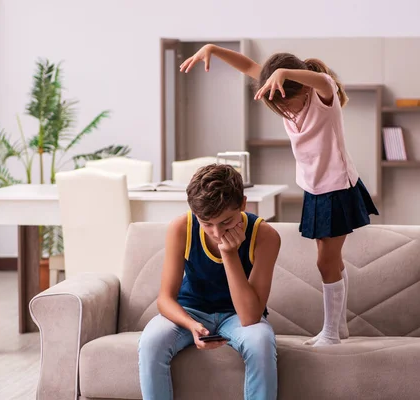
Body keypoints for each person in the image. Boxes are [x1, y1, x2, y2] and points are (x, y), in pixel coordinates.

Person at [180, 45, 379, 347]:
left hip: (337, 188)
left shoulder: (324, 97)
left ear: (301, 88)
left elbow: (324, 80)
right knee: (330, 259)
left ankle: (331, 333)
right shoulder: (288, 96)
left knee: (326, 262)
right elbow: (247, 64)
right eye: (281, 109)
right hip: (314, 189)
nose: (287, 111)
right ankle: (339, 328)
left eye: (289, 104)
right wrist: (213, 50)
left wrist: (284, 72)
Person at [138, 164, 280, 400]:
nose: (216, 232)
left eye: (226, 222)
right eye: (206, 223)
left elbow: (250, 316)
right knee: (151, 340)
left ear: (243, 204)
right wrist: (191, 325)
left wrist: (229, 253)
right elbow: (164, 299)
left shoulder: (265, 236)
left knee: (261, 342)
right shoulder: (181, 228)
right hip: (191, 311)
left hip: (238, 316)